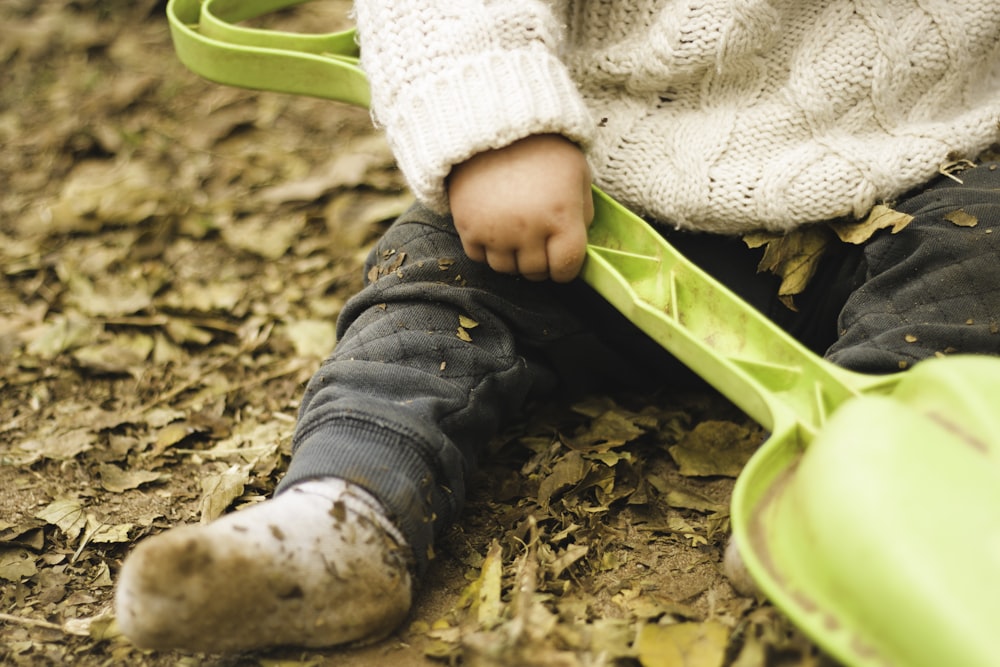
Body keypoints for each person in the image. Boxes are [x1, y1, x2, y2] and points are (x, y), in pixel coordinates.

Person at [115, 0, 1000, 652]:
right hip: (606, 198)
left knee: (977, 253)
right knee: (434, 286)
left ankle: (859, 498)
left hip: (921, 169)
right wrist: (498, 132)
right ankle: (345, 510)